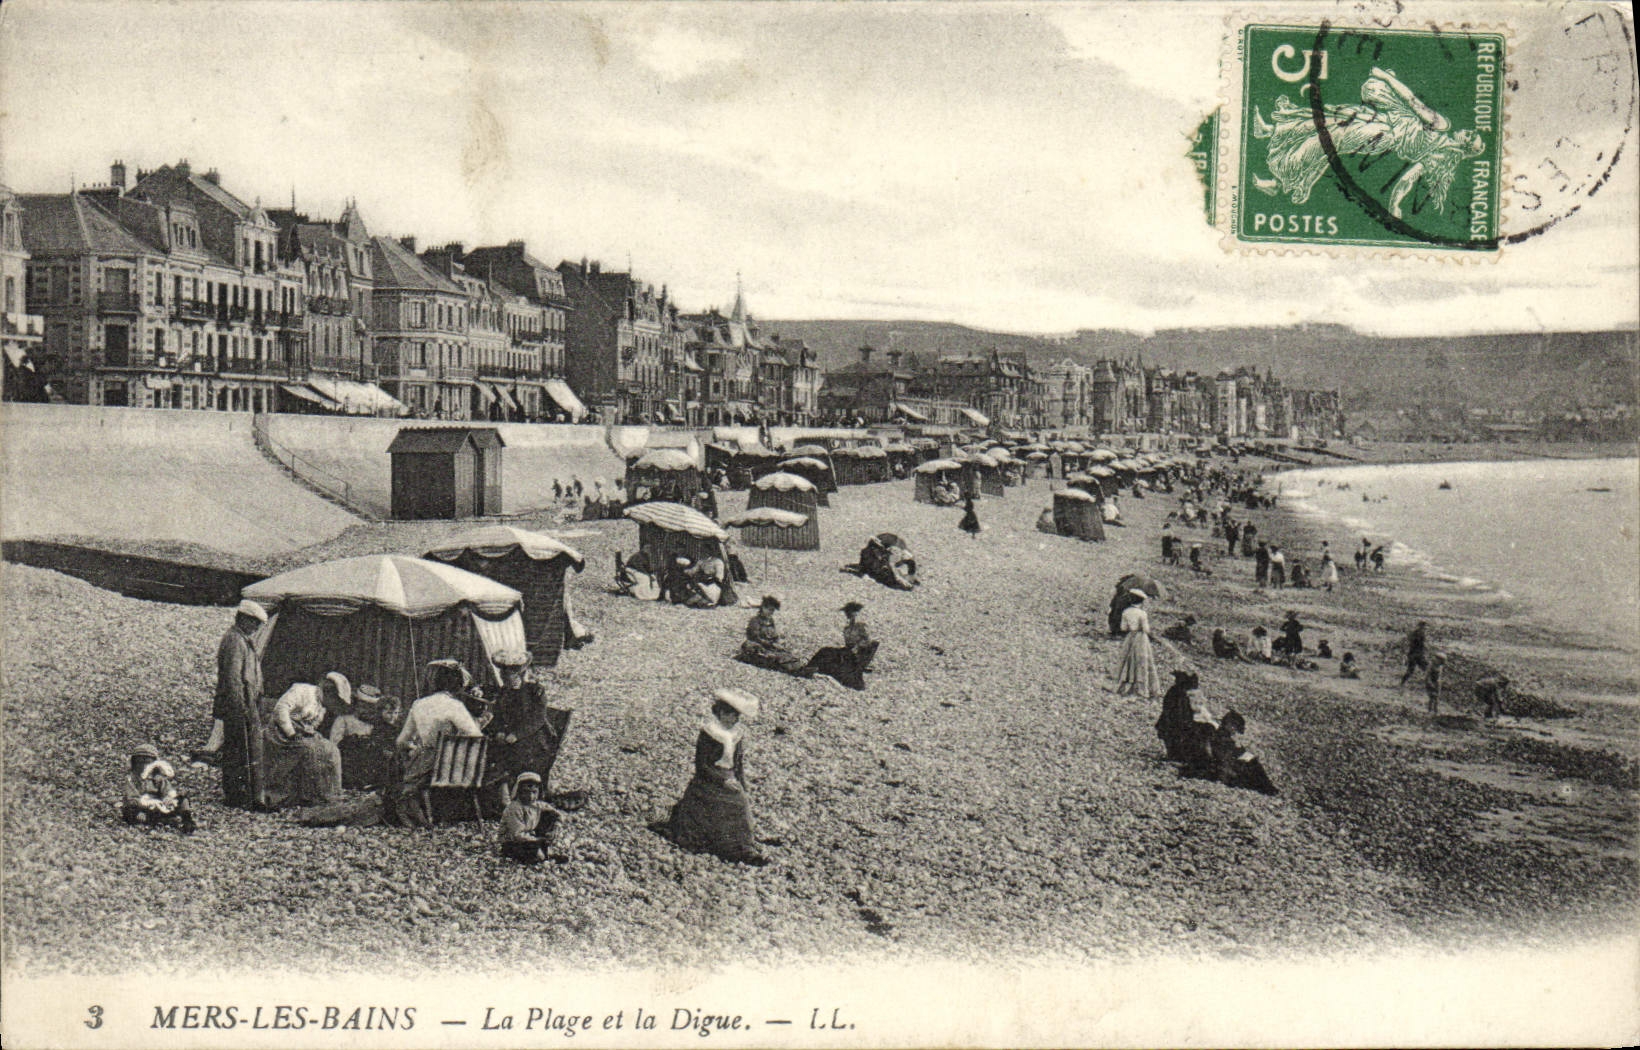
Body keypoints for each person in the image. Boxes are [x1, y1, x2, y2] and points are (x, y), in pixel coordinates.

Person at [654, 688, 768, 865]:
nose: (734, 720)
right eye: (731, 716)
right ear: (721, 713)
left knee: (742, 799)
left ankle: (744, 844)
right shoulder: (709, 733)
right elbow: (702, 765)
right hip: (709, 780)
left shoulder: (736, 735)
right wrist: (723, 781)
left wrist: (742, 782)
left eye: (737, 717)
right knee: (737, 803)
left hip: (729, 777)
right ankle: (740, 848)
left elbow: (738, 764)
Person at [392, 660, 487, 828]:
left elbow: (401, 741)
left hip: (425, 768)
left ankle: (415, 811)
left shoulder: (418, 704)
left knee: (413, 764)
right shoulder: (455, 706)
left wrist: (415, 748)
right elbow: (475, 737)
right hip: (454, 771)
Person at [484, 649, 571, 815]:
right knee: (490, 749)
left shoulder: (534, 691)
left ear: (519, 673)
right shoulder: (503, 693)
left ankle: (510, 798)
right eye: (502, 672)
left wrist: (516, 735)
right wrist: (499, 732)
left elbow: (537, 719)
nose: (503, 676)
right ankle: (503, 796)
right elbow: (498, 717)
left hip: (535, 741)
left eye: (508, 673)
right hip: (510, 740)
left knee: (509, 755)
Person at [211, 600, 268, 809]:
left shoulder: (243, 640)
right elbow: (233, 677)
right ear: (243, 619)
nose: (256, 628)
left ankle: (245, 794)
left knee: (246, 749)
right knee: (237, 749)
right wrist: (239, 707)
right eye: (254, 623)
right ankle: (236, 795)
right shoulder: (234, 640)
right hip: (238, 702)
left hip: (247, 700)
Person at [262, 672, 347, 809]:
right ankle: (309, 795)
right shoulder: (303, 691)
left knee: (331, 749)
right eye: (335, 699)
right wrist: (291, 732)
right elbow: (281, 709)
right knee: (310, 750)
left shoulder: (322, 706)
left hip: (301, 732)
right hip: (281, 732)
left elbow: (312, 725)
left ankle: (331, 793)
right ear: (328, 692)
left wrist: (310, 731)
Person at [330, 683, 400, 790]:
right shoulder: (344, 720)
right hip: (350, 770)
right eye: (364, 705)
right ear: (357, 704)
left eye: (372, 707)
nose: (368, 710)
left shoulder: (379, 723)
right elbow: (334, 748)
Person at [121, 745, 196, 833]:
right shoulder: (131, 779)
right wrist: (143, 807)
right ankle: (158, 821)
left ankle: (187, 821)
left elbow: (167, 791)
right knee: (129, 811)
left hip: (160, 806)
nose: (143, 765)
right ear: (134, 762)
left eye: (147, 762)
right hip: (143, 807)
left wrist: (168, 799)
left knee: (183, 800)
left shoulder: (158, 778)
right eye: (140, 762)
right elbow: (132, 798)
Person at [804, 601, 877, 690]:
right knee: (826, 651)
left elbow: (869, 642)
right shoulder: (848, 628)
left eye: (850, 612)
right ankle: (811, 668)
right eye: (847, 613)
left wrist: (857, 648)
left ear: (856, 613)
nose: (848, 615)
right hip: (849, 652)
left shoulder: (861, 626)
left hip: (858, 655)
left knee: (828, 653)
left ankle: (811, 669)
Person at [735, 595, 812, 677]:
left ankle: (800, 667)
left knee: (786, 653)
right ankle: (796, 671)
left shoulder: (770, 621)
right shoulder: (755, 621)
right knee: (775, 658)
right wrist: (771, 644)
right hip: (756, 647)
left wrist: (778, 643)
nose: (771, 613)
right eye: (770, 610)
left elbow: (774, 636)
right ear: (763, 608)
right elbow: (755, 638)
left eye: (773, 611)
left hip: (768, 646)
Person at [1210, 710, 1279, 795]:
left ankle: (1267, 787)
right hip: (1226, 776)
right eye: (1235, 729)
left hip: (1223, 772)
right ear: (1231, 726)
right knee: (1253, 764)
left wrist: (1238, 752)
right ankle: (1268, 789)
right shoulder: (1223, 739)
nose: (1234, 732)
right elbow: (1225, 761)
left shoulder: (1218, 735)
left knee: (1251, 764)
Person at [499, 772, 561, 865]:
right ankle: (542, 854)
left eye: (534, 792)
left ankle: (544, 852)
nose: (531, 796)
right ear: (519, 792)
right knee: (533, 851)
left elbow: (557, 815)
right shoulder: (514, 808)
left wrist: (556, 827)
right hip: (513, 842)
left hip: (530, 837)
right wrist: (538, 840)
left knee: (549, 814)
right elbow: (517, 835)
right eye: (526, 792)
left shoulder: (537, 805)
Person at [1114, 591, 1161, 700]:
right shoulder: (1142, 614)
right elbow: (1146, 630)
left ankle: (1125, 684)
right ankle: (1142, 688)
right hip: (1141, 638)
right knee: (1142, 661)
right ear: (1141, 601)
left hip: (1130, 637)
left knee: (1127, 659)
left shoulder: (1126, 612)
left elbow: (1123, 628)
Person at [1155, 668, 1200, 762]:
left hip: (1175, 724)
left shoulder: (1179, 693)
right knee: (1175, 740)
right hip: (1172, 725)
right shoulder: (1177, 695)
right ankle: (1174, 755)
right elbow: (1177, 713)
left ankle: (1176, 755)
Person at [1399, 621, 1430, 687]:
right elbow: (1421, 645)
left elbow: (1410, 643)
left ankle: (1402, 683)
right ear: (1421, 626)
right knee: (1426, 669)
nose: (1424, 629)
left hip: (1413, 654)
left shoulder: (1414, 633)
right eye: (1424, 627)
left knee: (1411, 670)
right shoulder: (1420, 634)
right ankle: (1429, 684)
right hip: (1417, 655)